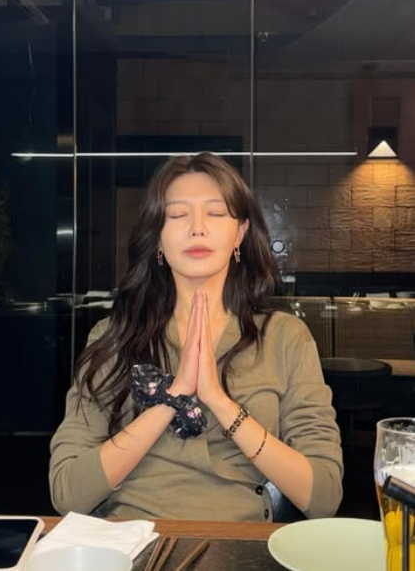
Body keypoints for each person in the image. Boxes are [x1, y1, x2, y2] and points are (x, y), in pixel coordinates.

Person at [49, 152, 343, 521]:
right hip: (130, 539)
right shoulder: (113, 336)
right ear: (158, 238)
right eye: (177, 215)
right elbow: (66, 493)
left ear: (240, 233)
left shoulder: (285, 338)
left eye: (215, 213)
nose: (197, 228)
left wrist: (219, 401)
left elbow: (324, 496)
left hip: (240, 540)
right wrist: (172, 399)